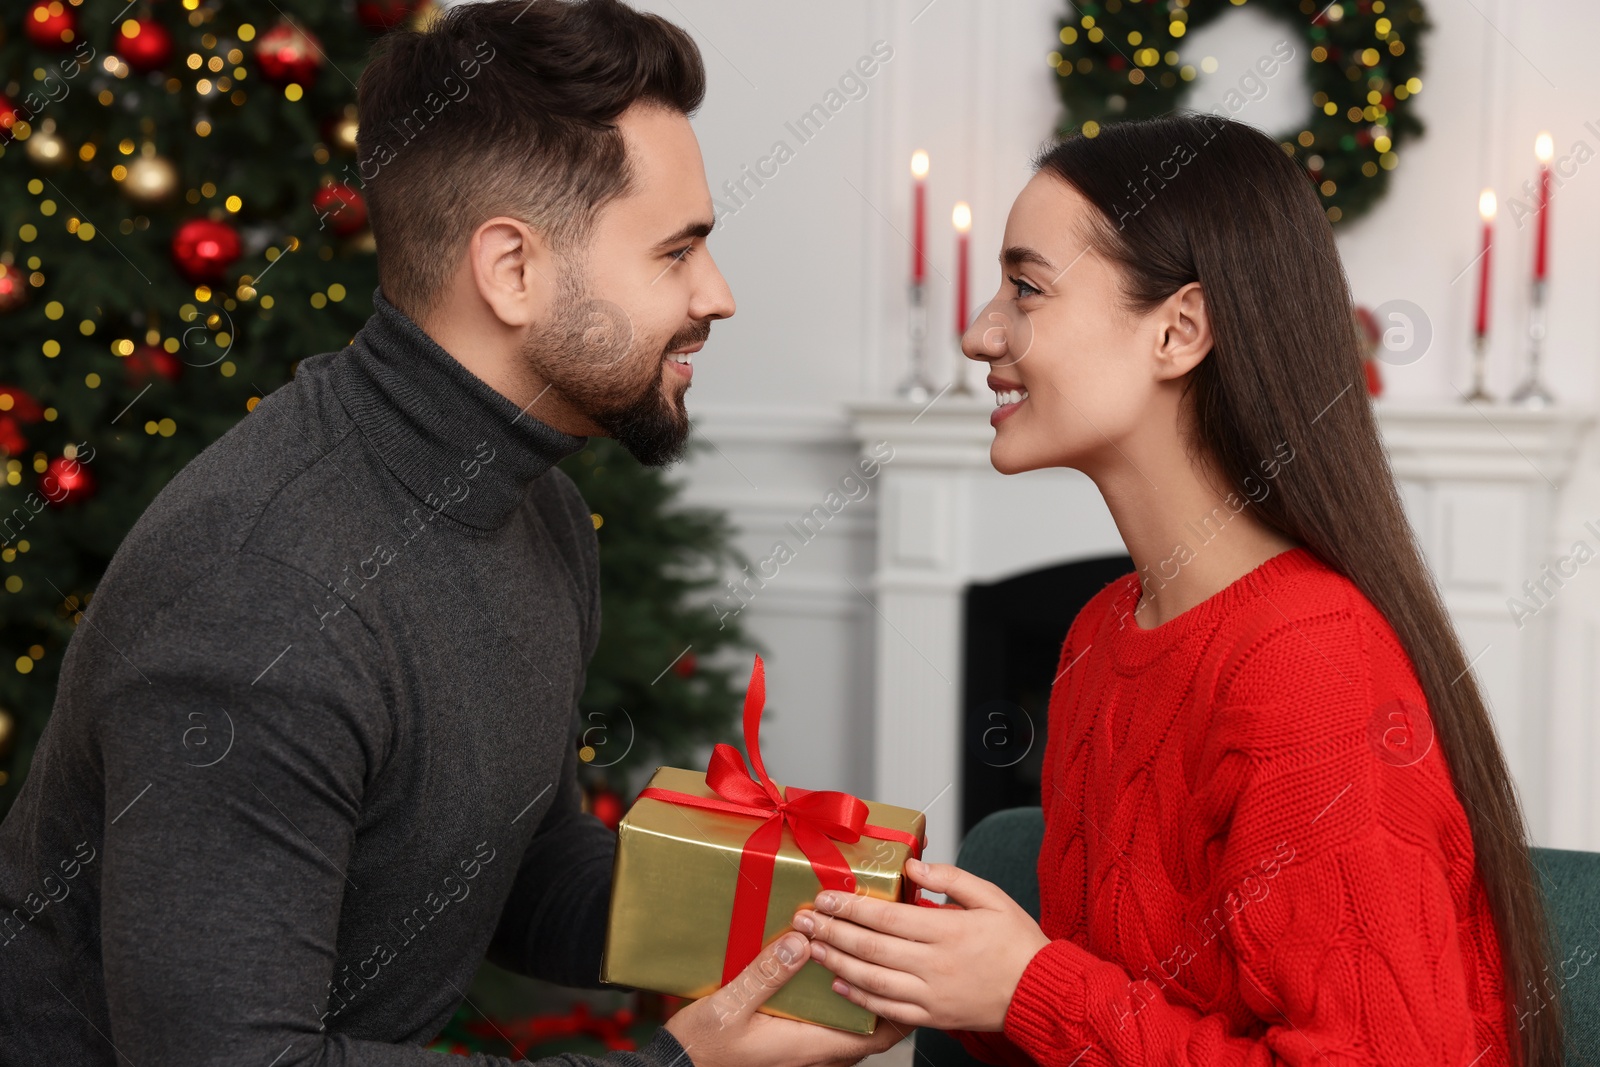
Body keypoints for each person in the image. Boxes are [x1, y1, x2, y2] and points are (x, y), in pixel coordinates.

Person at [0, 3, 901, 1065]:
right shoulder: (260, 593)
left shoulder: (536, 501)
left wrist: (838, 923)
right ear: (510, 268)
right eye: (677, 252)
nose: (718, 295)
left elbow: (515, 864)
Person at [795, 113, 1562, 1067]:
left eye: (1026, 288)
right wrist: (938, 977)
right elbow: (1107, 1020)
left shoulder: (1308, 659)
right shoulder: (1098, 636)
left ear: (1179, 330)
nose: (979, 330)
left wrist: (1030, 985)